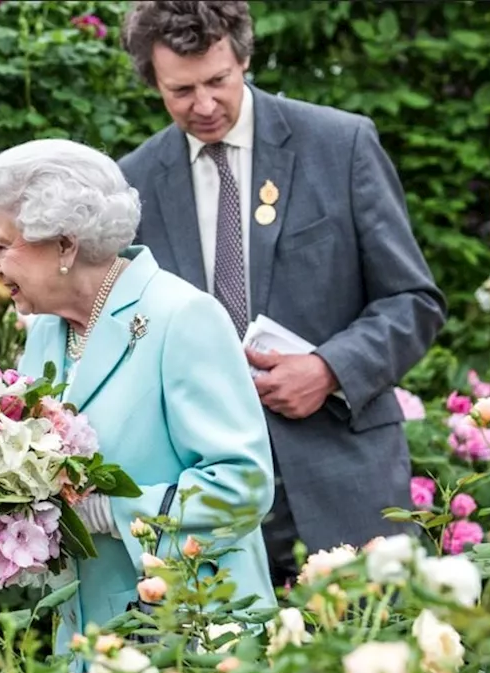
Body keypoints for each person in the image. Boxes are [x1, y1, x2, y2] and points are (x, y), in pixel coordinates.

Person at [0, 138, 277, 652]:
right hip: (91, 637)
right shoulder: (46, 331)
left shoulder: (182, 317)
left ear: (65, 245)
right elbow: (7, 474)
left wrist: (110, 514)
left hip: (193, 634)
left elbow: (244, 485)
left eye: (2, 245)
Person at [117, 1, 446, 585]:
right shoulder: (134, 183)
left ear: (243, 57)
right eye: (181, 91)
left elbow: (413, 301)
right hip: (204, 499)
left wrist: (329, 368)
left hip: (343, 476)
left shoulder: (340, 144)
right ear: (153, 82)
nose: (205, 105)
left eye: (218, 80)